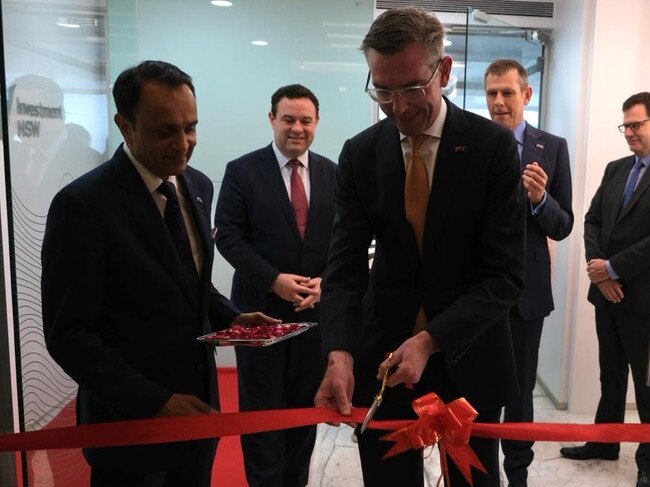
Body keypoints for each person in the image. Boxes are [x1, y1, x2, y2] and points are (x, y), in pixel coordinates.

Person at [313, 7, 526, 487]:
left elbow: (505, 276)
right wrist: (340, 353)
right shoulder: (361, 154)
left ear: (443, 71)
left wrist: (431, 340)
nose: (398, 106)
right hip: (384, 365)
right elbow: (344, 268)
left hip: (468, 356)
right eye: (382, 90)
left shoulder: (491, 149)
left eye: (411, 88)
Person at [41, 60, 278, 487]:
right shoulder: (83, 206)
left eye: (190, 127)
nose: (183, 143)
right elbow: (69, 335)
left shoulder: (198, 186)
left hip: (198, 417)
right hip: (130, 428)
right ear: (124, 125)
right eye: (165, 130)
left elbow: (189, 283)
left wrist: (232, 318)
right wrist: (154, 401)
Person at [214, 84, 336, 487]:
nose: (297, 128)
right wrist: (274, 281)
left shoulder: (332, 173)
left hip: (312, 318)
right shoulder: (242, 171)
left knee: (303, 413)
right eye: (288, 119)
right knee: (261, 416)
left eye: (305, 120)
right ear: (272, 120)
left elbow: (345, 240)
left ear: (317, 123)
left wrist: (325, 283)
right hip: (258, 314)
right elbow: (228, 237)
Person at [484, 59, 574, 487]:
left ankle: (517, 475)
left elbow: (564, 223)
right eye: (491, 94)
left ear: (526, 95)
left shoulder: (551, 148)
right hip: (476, 292)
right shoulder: (469, 143)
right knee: (478, 390)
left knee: (519, 392)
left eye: (507, 93)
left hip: (525, 292)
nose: (499, 102)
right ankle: (480, 472)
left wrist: (540, 199)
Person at [559, 92, 650, 487]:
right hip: (607, 295)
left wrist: (613, 268)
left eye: (636, 125)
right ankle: (605, 442)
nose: (628, 132)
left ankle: (648, 460)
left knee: (645, 383)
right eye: (625, 125)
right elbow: (592, 220)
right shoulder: (616, 169)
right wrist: (599, 272)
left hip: (643, 299)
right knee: (610, 373)